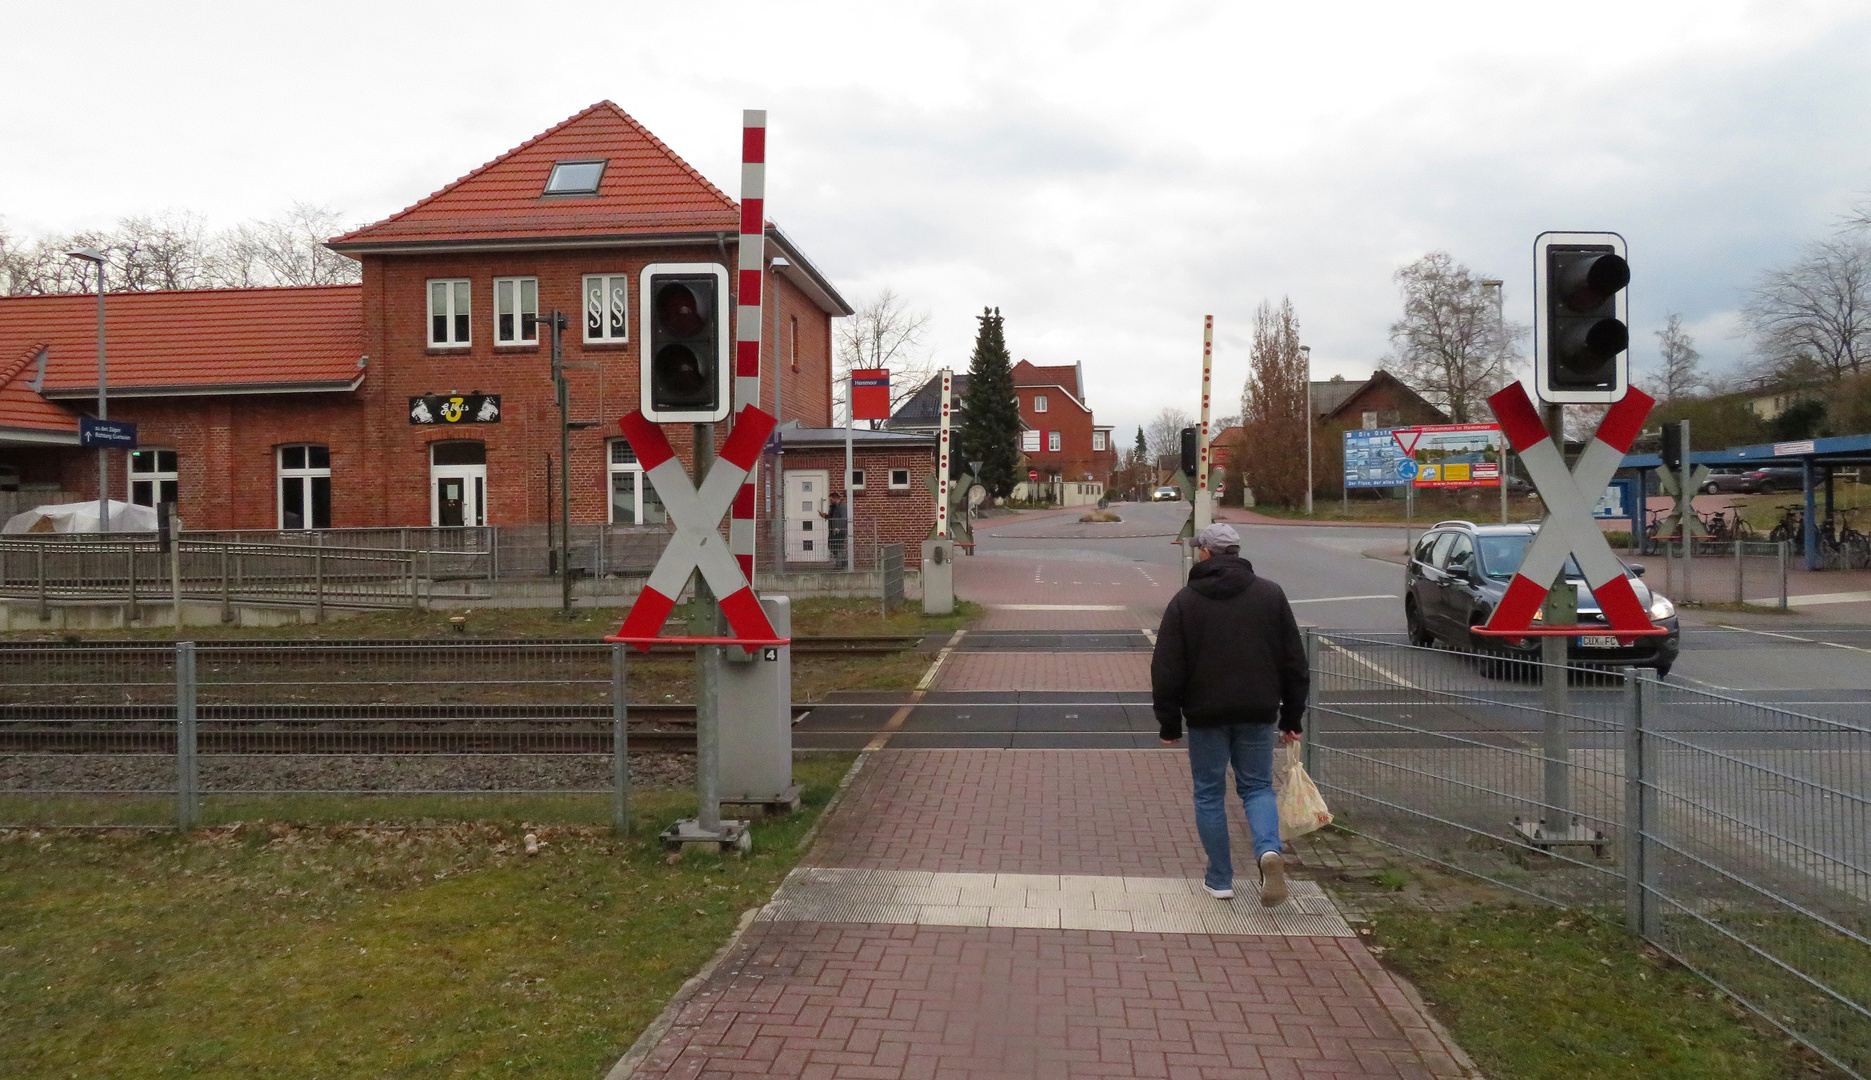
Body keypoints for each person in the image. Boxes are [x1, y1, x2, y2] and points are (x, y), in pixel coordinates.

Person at [1151, 522, 1309, 905]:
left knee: (1209, 794)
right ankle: (1268, 851)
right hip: (1258, 710)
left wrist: (1169, 722)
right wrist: (1291, 717)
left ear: (1205, 553)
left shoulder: (1186, 601)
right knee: (1257, 787)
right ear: (1237, 552)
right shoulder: (1271, 595)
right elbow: (1294, 661)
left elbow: (1167, 667)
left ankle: (1220, 879)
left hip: (1205, 714)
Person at [820, 490, 848, 564]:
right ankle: (840, 562)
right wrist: (825, 516)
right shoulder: (833, 507)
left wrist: (839, 528)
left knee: (838, 547)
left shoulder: (842, 507)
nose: (830, 501)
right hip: (832, 530)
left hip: (839, 531)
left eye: (831, 500)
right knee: (832, 546)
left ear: (836, 498)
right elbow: (831, 516)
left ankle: (842, 563)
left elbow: (844, 518)